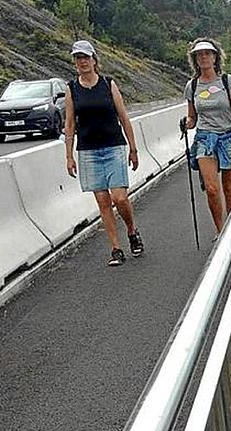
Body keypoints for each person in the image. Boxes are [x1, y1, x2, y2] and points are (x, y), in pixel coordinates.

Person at [64, 40, 144, 267]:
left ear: (94, 60)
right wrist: (69, 155)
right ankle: (116, 248)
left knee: (119, 197)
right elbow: (69, 125)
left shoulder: (108, 84)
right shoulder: (72, 89)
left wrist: (133, 148)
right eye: (78, 58)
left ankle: (131, 230)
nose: (82, 62)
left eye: (85, 58)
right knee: (102, 201)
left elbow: (123, 117)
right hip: (88, 150)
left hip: (113, 147)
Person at [184, 38, 231, 237]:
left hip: (228, 137)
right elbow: (192, 117)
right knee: (212, 188)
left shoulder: (227, 81)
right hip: (205, 139)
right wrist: (187, 122)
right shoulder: (192, 86)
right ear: (195, 59)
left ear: (215, 57)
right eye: (199, 55)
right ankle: (221, 232)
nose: (203, 57)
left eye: (207, 53)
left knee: (229, 189)